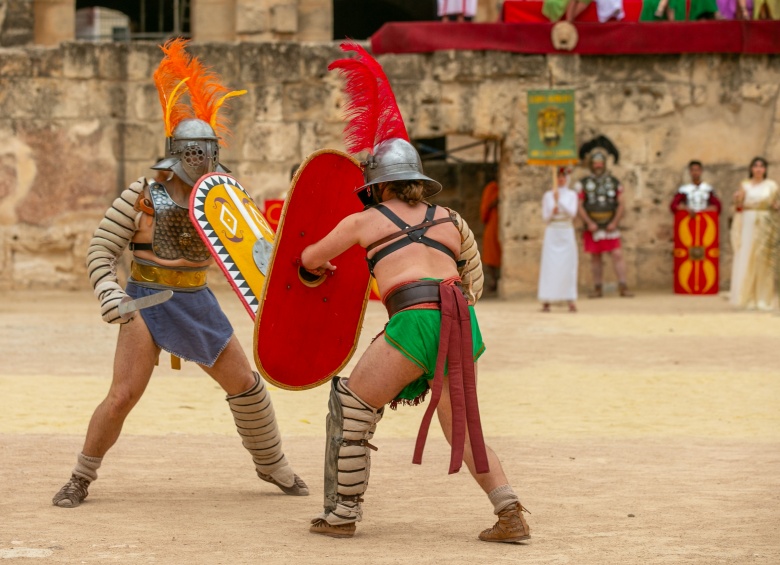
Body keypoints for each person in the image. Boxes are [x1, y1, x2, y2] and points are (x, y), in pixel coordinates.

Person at [51, 38, 307, 508]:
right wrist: (109, 291)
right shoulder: (144, 193)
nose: (200, 162)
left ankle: (274, 466)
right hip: (145, 300)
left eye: (206, 153)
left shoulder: (226, 197)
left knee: (247, 387)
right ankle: (80, 476)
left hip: (197, 300)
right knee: (124, 394)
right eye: (194, 153)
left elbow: (261, 255)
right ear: (177, 151)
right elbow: (101, 250)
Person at [303, 42, 528, 543]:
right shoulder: (450, 219)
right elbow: (472, 277)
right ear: (416, 183)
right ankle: (509, 509)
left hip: (417, 319)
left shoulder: (364, 220)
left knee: (353, 403)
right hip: (461, 321)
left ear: (377, 185)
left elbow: (310, 259)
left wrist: (322, 272)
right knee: (463, 428)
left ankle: (342, 515)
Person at [575, 144, 634, 298]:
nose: (598, 165)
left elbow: (621, 203)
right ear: (591, 164)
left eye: (600, 162)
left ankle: (623, 285)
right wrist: (588, 222)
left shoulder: (614, 182)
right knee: (595, 257)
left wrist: (615, 222)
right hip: (593, 226)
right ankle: (597, 287)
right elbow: (579, 205)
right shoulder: (583, 183)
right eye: (595, 163)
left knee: (617, 254)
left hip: (610, 225)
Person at [729, 157, 779, 310]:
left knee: (762, 259)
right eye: (755, 166)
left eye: (761, 166)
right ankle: (745, 297)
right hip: (748, 223)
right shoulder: (745, 185)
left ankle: (762, 299)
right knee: (746, 255)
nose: (758, 169)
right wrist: (737, 200)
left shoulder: (771, 186)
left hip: (765, 224)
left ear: (765, 169)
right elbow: (738, 207)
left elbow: (775, 205)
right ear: (751, 169)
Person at [538, 167, 578, 312]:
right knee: (549, 265)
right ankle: (547, 299)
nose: (561, 179)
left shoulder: (572, 195)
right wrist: (552, 212)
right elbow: (545, 217)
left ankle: (570, 299)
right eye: (559, 176)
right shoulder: (548, 195)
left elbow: (572, 213)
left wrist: (559, 202)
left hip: (566, 230)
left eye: (563, 176)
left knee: (569, 266)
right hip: (552, 231)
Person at [479, 175, 501, 294]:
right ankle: (494, 280)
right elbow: (484, 210)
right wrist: (494, 202)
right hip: (492, 223)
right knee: (490, 255)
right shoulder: (491, 188)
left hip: (502, 223)